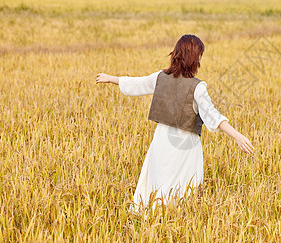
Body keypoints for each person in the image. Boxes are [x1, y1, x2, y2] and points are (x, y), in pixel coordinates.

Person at [96, 34, 254, 215]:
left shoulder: (161, 77)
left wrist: (111, 78)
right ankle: (176, 222)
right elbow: (213, 117)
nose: (201, 59)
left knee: (158, 183)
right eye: (200, 55)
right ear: (194, 57)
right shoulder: (198, 87)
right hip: (186, 146)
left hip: (162, 141)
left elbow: (137, 83)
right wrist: (238, 136)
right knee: (183, 188)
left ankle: (153, 221)